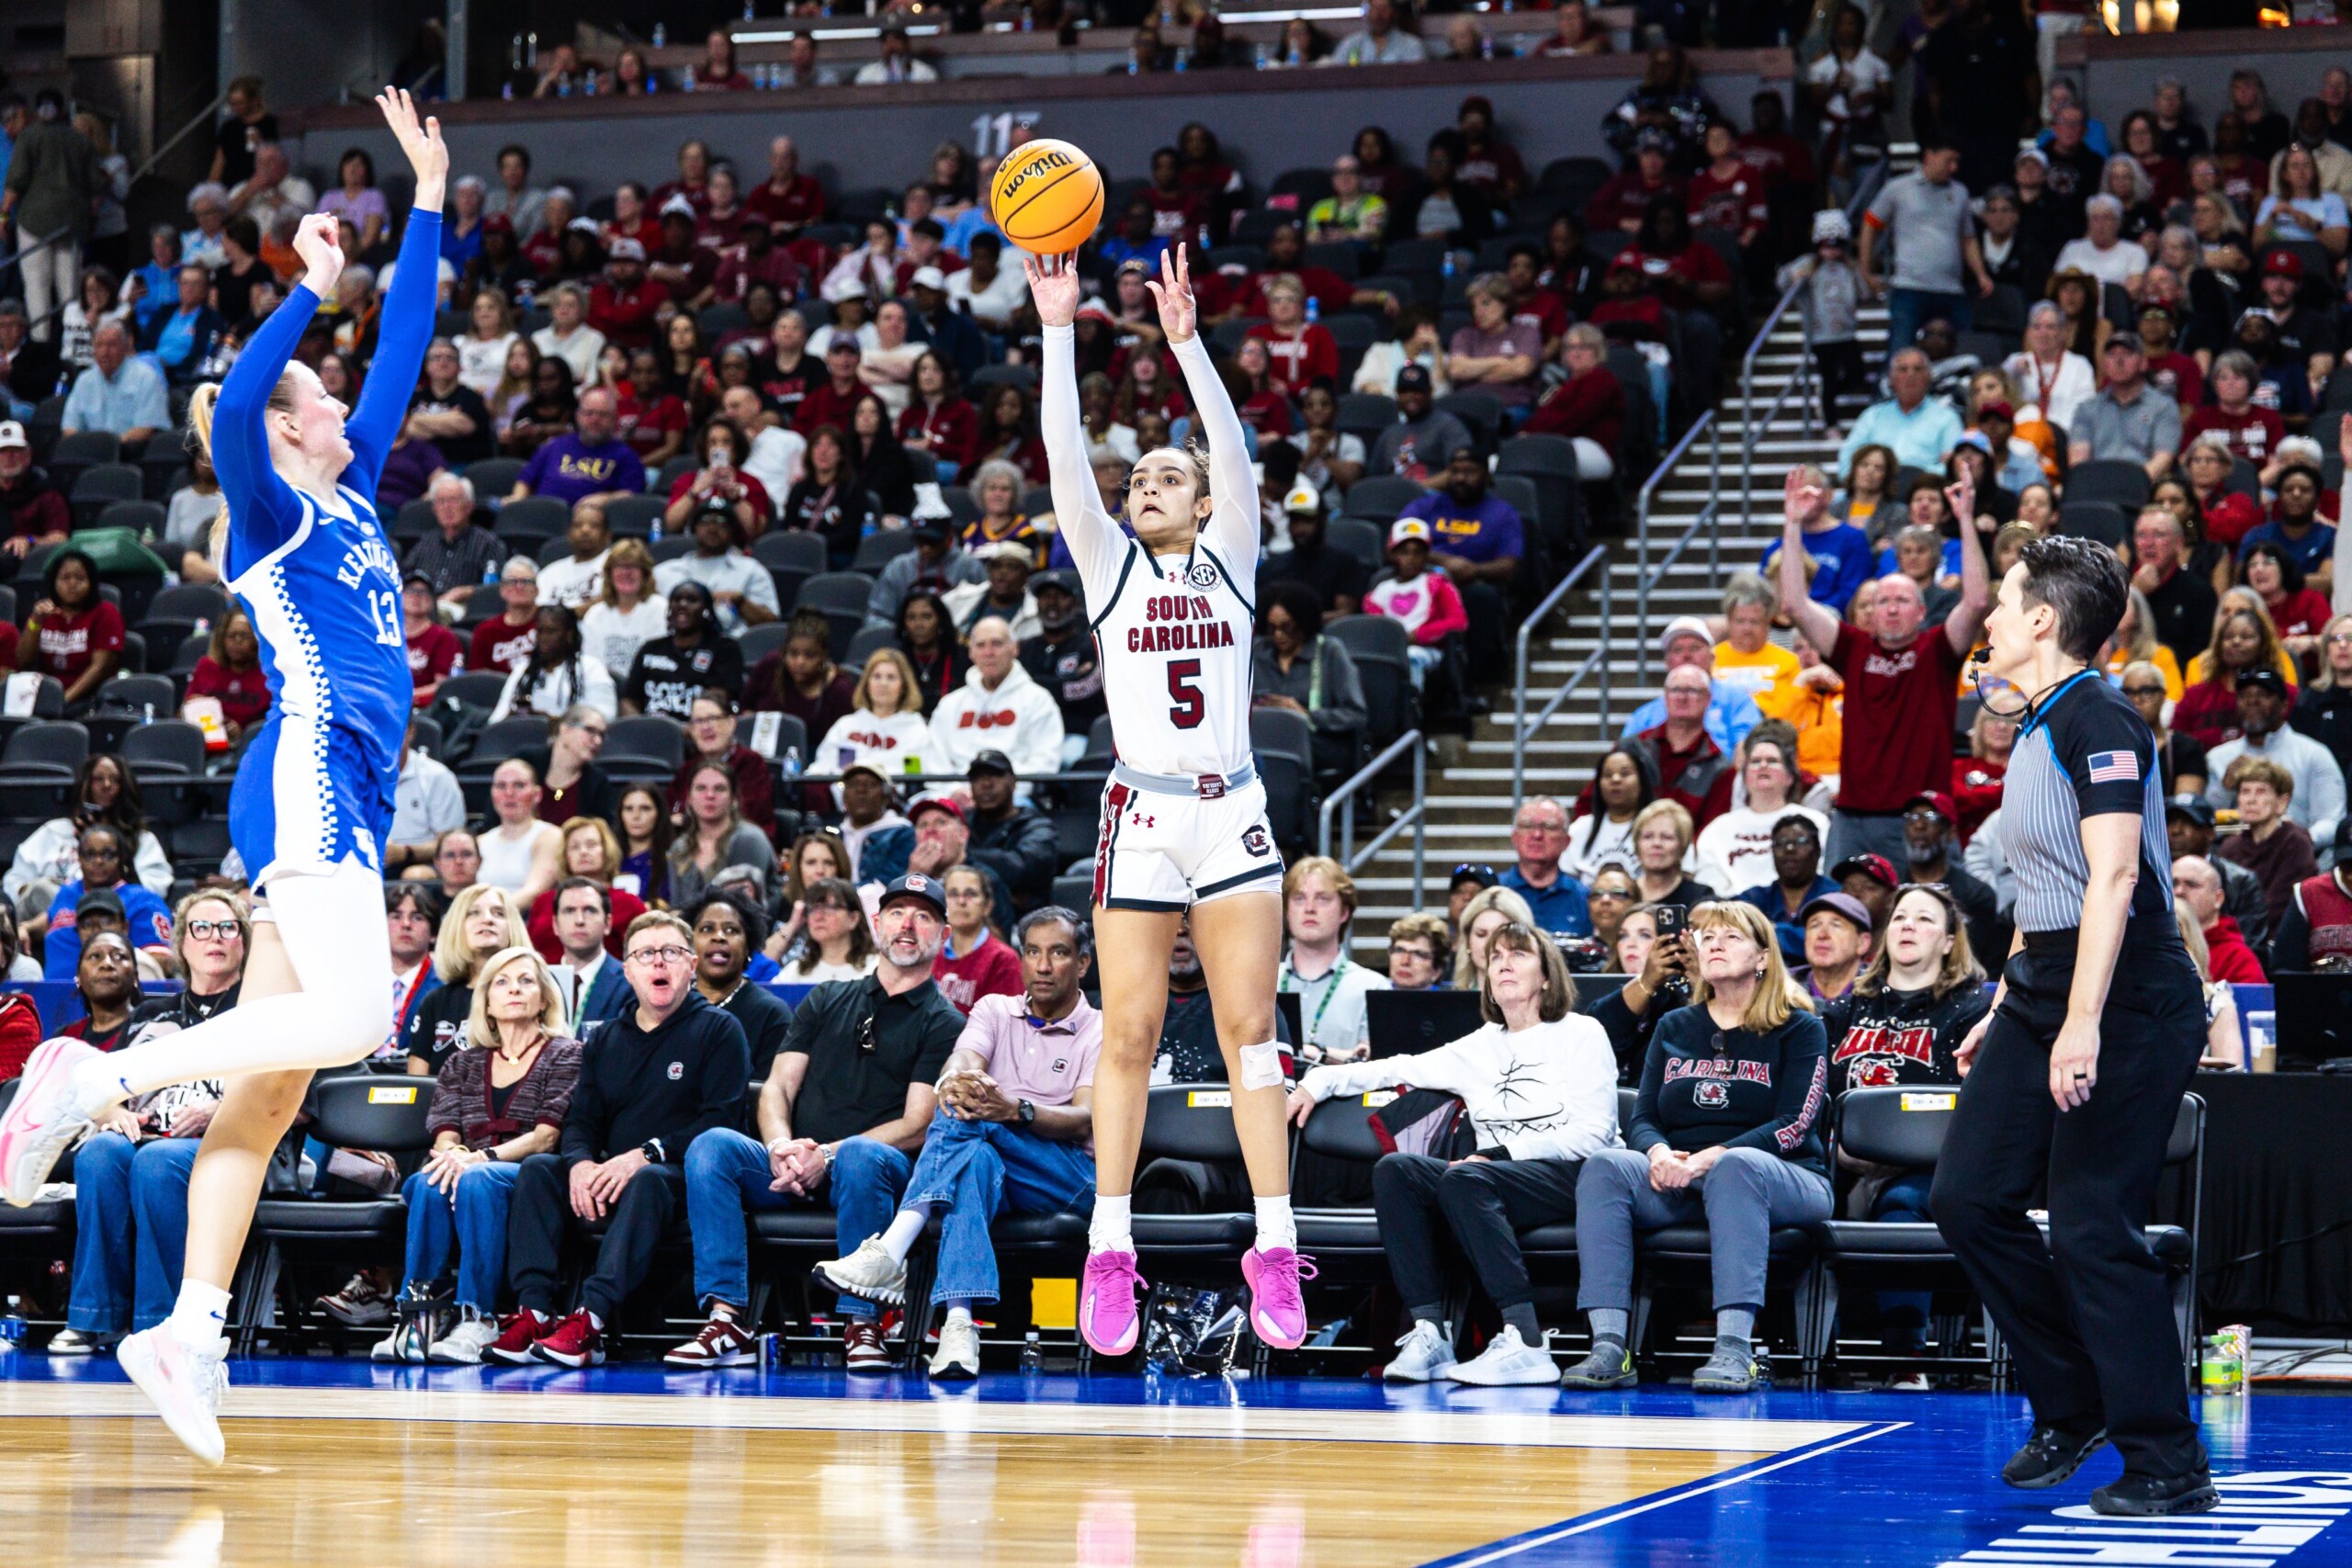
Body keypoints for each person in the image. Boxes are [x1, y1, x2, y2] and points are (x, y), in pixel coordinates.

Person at [0, 91, 444, 1468]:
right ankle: (87, 1077)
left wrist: (427, 201)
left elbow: (409, 347)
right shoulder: (271, 495)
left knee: (268, 1088)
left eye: (322, 397)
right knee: (359, 1016)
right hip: (308, 761)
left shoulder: (357, 476)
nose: (327, 397)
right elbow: (242, 393)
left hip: (355, 784)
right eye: (318, 390)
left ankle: (189, 1326)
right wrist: (305, 291)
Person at [1029, 243, 1306, 1356]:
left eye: (1165, 475)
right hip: (1141, 814)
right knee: (1131, 1034)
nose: (1146, 483)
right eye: (1137, 475)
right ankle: (1111, 1249)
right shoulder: (1108, 565)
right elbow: (1061, 459)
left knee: (1250, 1039)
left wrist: (1188, 346)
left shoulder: (1231, 551)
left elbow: (1231, 452)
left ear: (1201, 502)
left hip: (1230, 807)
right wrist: (1058, 330)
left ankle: (1275, 1247)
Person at [1917, 529, 2221, 1514]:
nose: (1990, 619)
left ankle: (2167, 1460)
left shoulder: (2104, 722)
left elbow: (2116, 879)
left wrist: (2078, 1022)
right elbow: (2043, 892)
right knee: (1966, 1199)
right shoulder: (2037, 724)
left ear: (2041, 621)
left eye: (2002, 602)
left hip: (2129, 992)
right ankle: (2073, 1400)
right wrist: (2009, 1005)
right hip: (2045, 977)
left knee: (2092, 1225)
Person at [1292, 919, 1620, 1384]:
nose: (1504, 963)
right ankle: (1430, 1331)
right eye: (1497, 957)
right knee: (1397, 1171)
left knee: (1465, 1176)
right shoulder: (1480, 1045)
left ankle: (1526, 1340)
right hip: (1489, 1180)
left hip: (1573, 1175)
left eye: (1519, 955)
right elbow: (1395, 1068)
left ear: (1547, 976)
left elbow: (1594, 1134)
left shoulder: (1581, 1033)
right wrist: (1317, 1081)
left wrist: (1500, 1152)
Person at [666, 878, 959, 1372]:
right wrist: (781, 1145)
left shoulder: (945, 1020)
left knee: (863, 1157)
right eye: (896, 913)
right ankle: (727, 1318)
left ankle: (862, 1321)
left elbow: (915, 1123)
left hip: (878, 1172)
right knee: (712, 1146)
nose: (907, 925)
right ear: (876, 924)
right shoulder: (826, 997)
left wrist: (827, 1154)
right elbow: (777, 1088)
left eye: (923, 916)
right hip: (794, 1167)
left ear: (943, 934)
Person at [807, 906, 1102, 1378]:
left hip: (1068, 1177)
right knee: (973, 1155)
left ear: (1082, 963)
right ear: (1020, 958)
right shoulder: (994, 1009)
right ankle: (959, 1328)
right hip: (997, 1165)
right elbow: (964, 1057)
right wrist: (956, 1079)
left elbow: (1085, 1119)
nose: (1043, 966)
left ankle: (891, 1249)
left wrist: (1015, 1110)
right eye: (1032, 952)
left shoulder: (1100, 1029)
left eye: (1059, 953)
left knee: (974, 1117)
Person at [1560, 900, 1833, 1394]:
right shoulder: (1675, 1026)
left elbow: (1796, 1124)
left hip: (1785, 1177)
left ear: (1763, 958)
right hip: (1682, 1177)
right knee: (1605, 1165)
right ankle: (1608, 1346)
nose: (1715, 945)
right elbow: (1643, 1117)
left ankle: (1734, 1349)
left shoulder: (1800, 1027)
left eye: (1730, 937)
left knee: (1738, 1166)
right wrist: (1659, 1154)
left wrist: (1716, 1154)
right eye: (1707, 938)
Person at [485, 911, 748, 1370]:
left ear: (691, 965)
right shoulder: (607, 1038)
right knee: (539, 1170)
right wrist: (583, 1164)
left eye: (671, 953)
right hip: (609, 1174)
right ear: (627, 971)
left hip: (682, 1179)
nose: (658, 963)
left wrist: (646, 1155)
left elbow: (721, 1121)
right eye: (646, 955)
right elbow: (582, 1119)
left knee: (650, 1181)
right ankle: (535, 1310)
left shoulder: (720, 1030)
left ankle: (593, 1319)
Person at [49, 891, 246, 1355]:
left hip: (235, 1143)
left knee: (156, 1162)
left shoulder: (258, 1012)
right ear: (181, 944)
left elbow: (289, 1098)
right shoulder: (151, 1015)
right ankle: (94, 1319)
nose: (213, 937)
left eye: (227, 927)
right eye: (201, 927)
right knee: (101, 1151)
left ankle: (165, 1326)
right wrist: (114, 1112)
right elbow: (103, 1090)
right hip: (154, 1132)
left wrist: (216, 1111)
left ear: (244, 942)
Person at [375, 945, 582, 1363]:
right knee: (428, 1180)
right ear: (485, 1001)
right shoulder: (462, 1063)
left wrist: (480, 1159)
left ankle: (478, 1316)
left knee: (474, 1178)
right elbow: (445, 1134)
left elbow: (545, 1137)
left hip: (534, 1175)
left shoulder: (566, 1054)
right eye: (501, 983)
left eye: (526, 981)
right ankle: (420, 1313)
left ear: (545, 997)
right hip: (471, 1168)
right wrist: (454, 1156)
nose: (514, 990)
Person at [1779, 467, 1991, 863]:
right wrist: (1792, 526)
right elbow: (1794, 604)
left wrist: (1964, 520)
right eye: (1883, 601)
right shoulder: (1852, 647)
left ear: (1922, 611)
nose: (1891, 608)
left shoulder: (1937, 649)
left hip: (1921, 817)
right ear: (1870, 612)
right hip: (1854, 816)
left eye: (1902, 601)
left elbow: (1977, 602)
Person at [1860, 133, 1992, 369]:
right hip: (1910, 286)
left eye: (1956, 162)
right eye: (1949, 160)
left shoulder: (1960, 192)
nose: (1954, 167)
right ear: (1929, 155)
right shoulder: (1898, 188)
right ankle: (1884, 401)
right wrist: (1866, 269)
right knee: (1899, 352)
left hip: (1951, 288)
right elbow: (1871, 223)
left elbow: (1968, 238)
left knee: (1969, 349)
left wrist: (1981, 274)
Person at [2201, 669, 2345, 845]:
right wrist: (2225, 791)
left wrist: (2296, 840)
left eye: (2263, 695)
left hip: (2302, 857)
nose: (2252, 701)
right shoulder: (2218, 758)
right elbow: (2206, 825)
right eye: (2244, 696)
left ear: (2284, 705)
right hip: (2236, 857)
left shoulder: (2313, 754)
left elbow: (2332, 821)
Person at [403, 881, 530, 1072]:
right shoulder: (435, 1002)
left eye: (499, 913)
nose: (487, 920)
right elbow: (416, 1087)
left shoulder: (533, 993)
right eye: (474, 913)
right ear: (456, 927)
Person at [1276, 856, 1389, 1066]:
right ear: (1286, 911)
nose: (1309, 908)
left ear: (1344, 912)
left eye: (1322, 899)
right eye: (1299, 898)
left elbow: (1378, 1065)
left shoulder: (1373, 987)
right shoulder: (1263, 982)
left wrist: (1318, 1053)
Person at [928, 616, 1065, 783]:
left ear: (1014, 648)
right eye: (980, 645)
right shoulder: (950, 704)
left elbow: (1045, 762)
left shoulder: (1038, 700)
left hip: (1015, 798)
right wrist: (955, 790)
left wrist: (1001, 790)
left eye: (997, 644)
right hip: (957, 796)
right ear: (971, 653)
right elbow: (934, 759)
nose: (988, 653)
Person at [1696, 728, 1826, 896]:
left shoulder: (1815, 822)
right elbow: (1708, 881)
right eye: (1755, 762)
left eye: (1772, 761)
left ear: (1790, 777)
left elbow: (1821, 872)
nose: (1763, 766)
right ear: (1743, 777)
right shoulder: (1718, 828)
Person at [683, 890, 793, 1077]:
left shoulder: (771, 1014)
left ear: (748, 946)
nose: (718, 937)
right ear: (690, 945)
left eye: (731, 930)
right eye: (707, 929)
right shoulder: (672, 1006)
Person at [620, 582, 742, 722]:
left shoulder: (724, 648)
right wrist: (641, 728)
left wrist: (688, 731)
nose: (682, 604)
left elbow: (718, 701)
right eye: (677, 599)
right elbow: (628, 700)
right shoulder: (650, 648)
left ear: (706, 609)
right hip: (651, 734)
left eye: (692, 600)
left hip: (700, 732)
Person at [667, 761, 777, 910]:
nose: (710, 795)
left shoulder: (749, 840)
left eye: (719, 789)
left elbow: (746, 909)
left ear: (733, 799)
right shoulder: (680, 847)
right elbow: (676, 906)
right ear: (690, 799)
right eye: (701, 788)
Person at [543, 877, 632, 1038]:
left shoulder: (630, 981)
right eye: (569, 911)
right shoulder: (540, 982)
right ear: (555, 924)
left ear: (608, 923)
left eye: (590, 910)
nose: (579, 920)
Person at [1497, 795, 1592, 938]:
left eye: (1549, 827)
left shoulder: (1585, 899)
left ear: (1566, 841)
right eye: (1528, 826)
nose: (1537, 835)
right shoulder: (1493, 891)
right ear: (1514, 837)